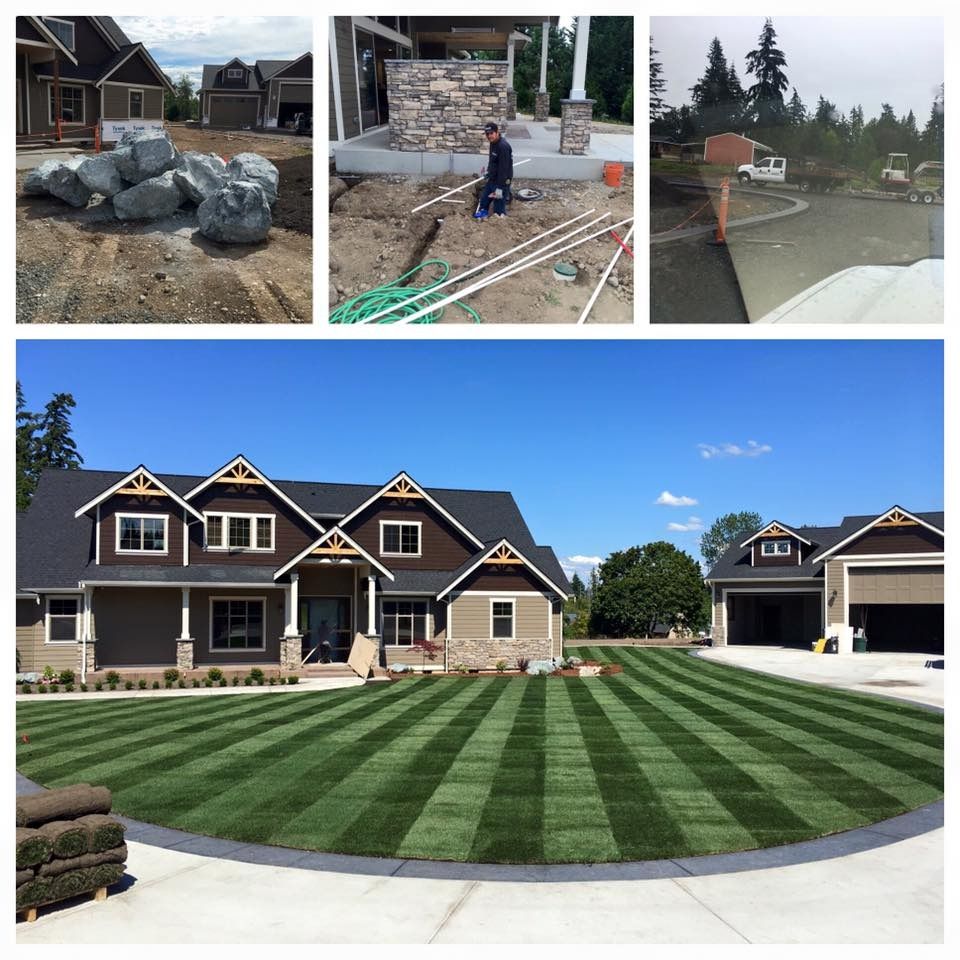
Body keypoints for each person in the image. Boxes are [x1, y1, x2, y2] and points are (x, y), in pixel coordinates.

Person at [474, 122, 513, 219]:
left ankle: (499, 220)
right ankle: (483, 213)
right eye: (487, 134)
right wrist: (488, 172)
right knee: (484, 200)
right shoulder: (493, 143)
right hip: (492, 178)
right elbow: (492, 160)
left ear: (497, 132)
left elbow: (504, 170)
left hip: (501, 181)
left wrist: (500, 188)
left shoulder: (503, 147)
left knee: (498, 208)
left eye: (491, 133)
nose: (489, 136)